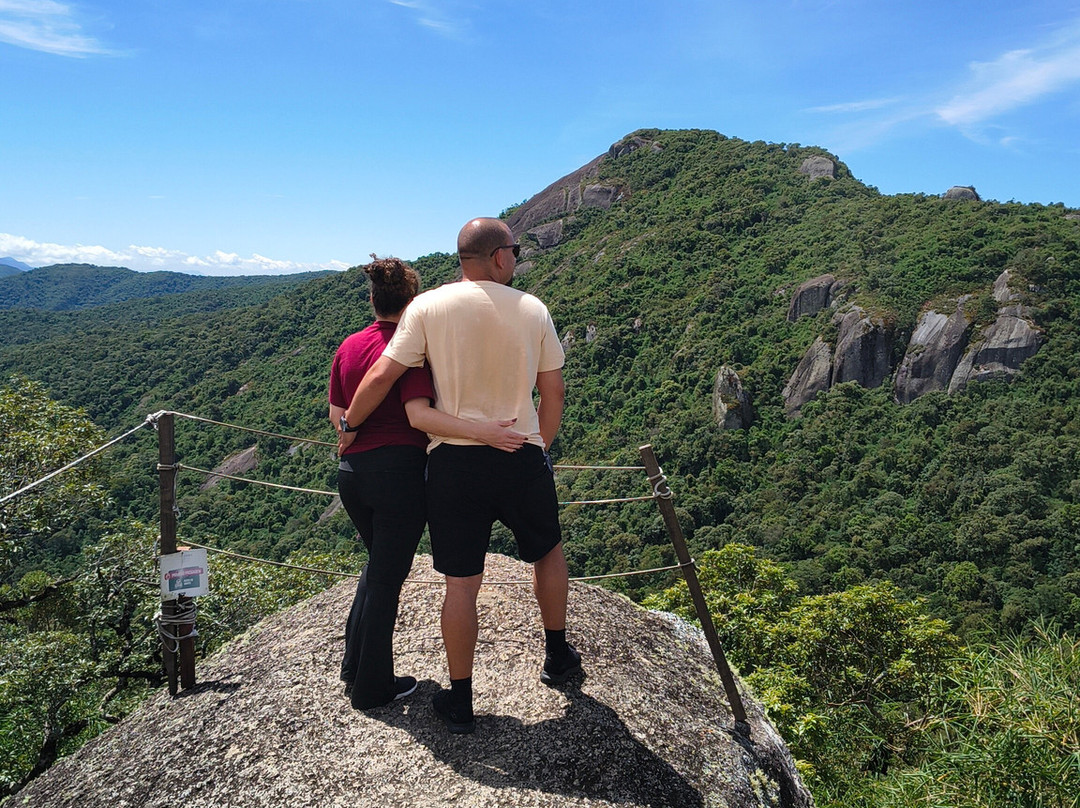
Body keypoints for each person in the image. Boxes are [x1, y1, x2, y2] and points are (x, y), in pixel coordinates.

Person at [339, 218, 581, 734]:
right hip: (520, 453)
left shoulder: (427, 307)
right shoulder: (533, 309)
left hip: (452, 464)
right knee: (547, 554)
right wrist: (538, 447)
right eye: (513, 250)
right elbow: (553, 394)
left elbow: (383, 373)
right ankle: (558, 657)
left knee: (461, 584)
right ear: (498, 257)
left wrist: (349, 424)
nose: (516, 258)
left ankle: (461, 698)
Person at [329, 255, 525, 711]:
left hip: (352, 475)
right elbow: (422, 410)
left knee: (377, 568)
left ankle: (353, 666)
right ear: (412, 301)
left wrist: (351, 434)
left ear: (374, 299)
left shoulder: (349, 346)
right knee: (387, 578)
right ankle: (372, 688)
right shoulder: (411, 347)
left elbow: (338, 417)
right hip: (398, 476)